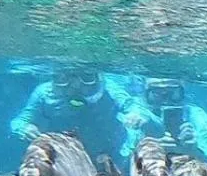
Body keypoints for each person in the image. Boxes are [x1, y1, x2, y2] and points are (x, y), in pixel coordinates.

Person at [9, 66, 141, 157]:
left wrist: (134, 115)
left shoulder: (109, 88)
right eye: (64, 78)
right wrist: (24, 128)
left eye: (86, 76)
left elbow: (134, 106)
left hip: (110, 152)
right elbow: (19, 121)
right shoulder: (43, 93)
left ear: (98, 76)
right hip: (65, 156)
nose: (76, 85)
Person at [121, 77, 207, 168]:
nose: (166, 102)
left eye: (173, 93)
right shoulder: (137, 115)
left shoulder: (195, 116)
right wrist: (145, 148)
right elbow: (119, 168)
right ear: (144, 91)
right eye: (157, 93)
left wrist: (194, 152)